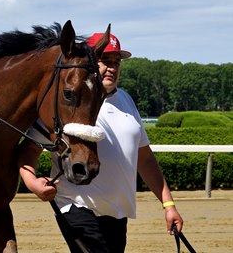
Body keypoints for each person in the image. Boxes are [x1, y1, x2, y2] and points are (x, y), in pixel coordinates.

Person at [18, 33, 183, 253]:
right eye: (106, 61)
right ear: (91, 61)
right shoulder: (69, 101)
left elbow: (144, 159)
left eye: (117, 62)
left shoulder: (126, 100)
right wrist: (31, 182)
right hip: (75, 205)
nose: (112, 68)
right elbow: (29, 149)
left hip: (117, 212)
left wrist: (168, 205)